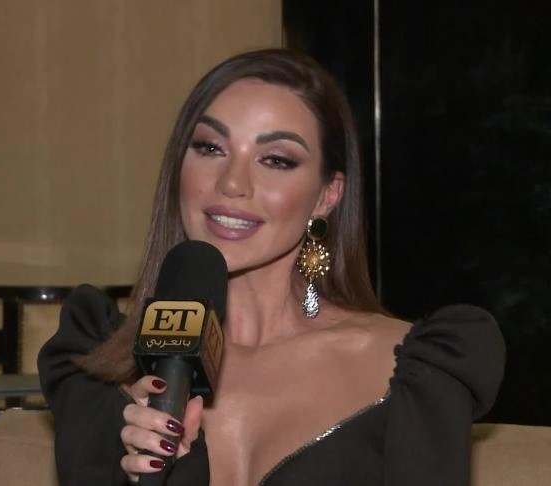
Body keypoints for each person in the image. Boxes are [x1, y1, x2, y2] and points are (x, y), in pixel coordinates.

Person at [37, 48, 505, 486]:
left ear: (327, 195)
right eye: (211, 148)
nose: (232, 183)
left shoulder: (416, 370)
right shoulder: (97, 368)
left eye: (276, 159)